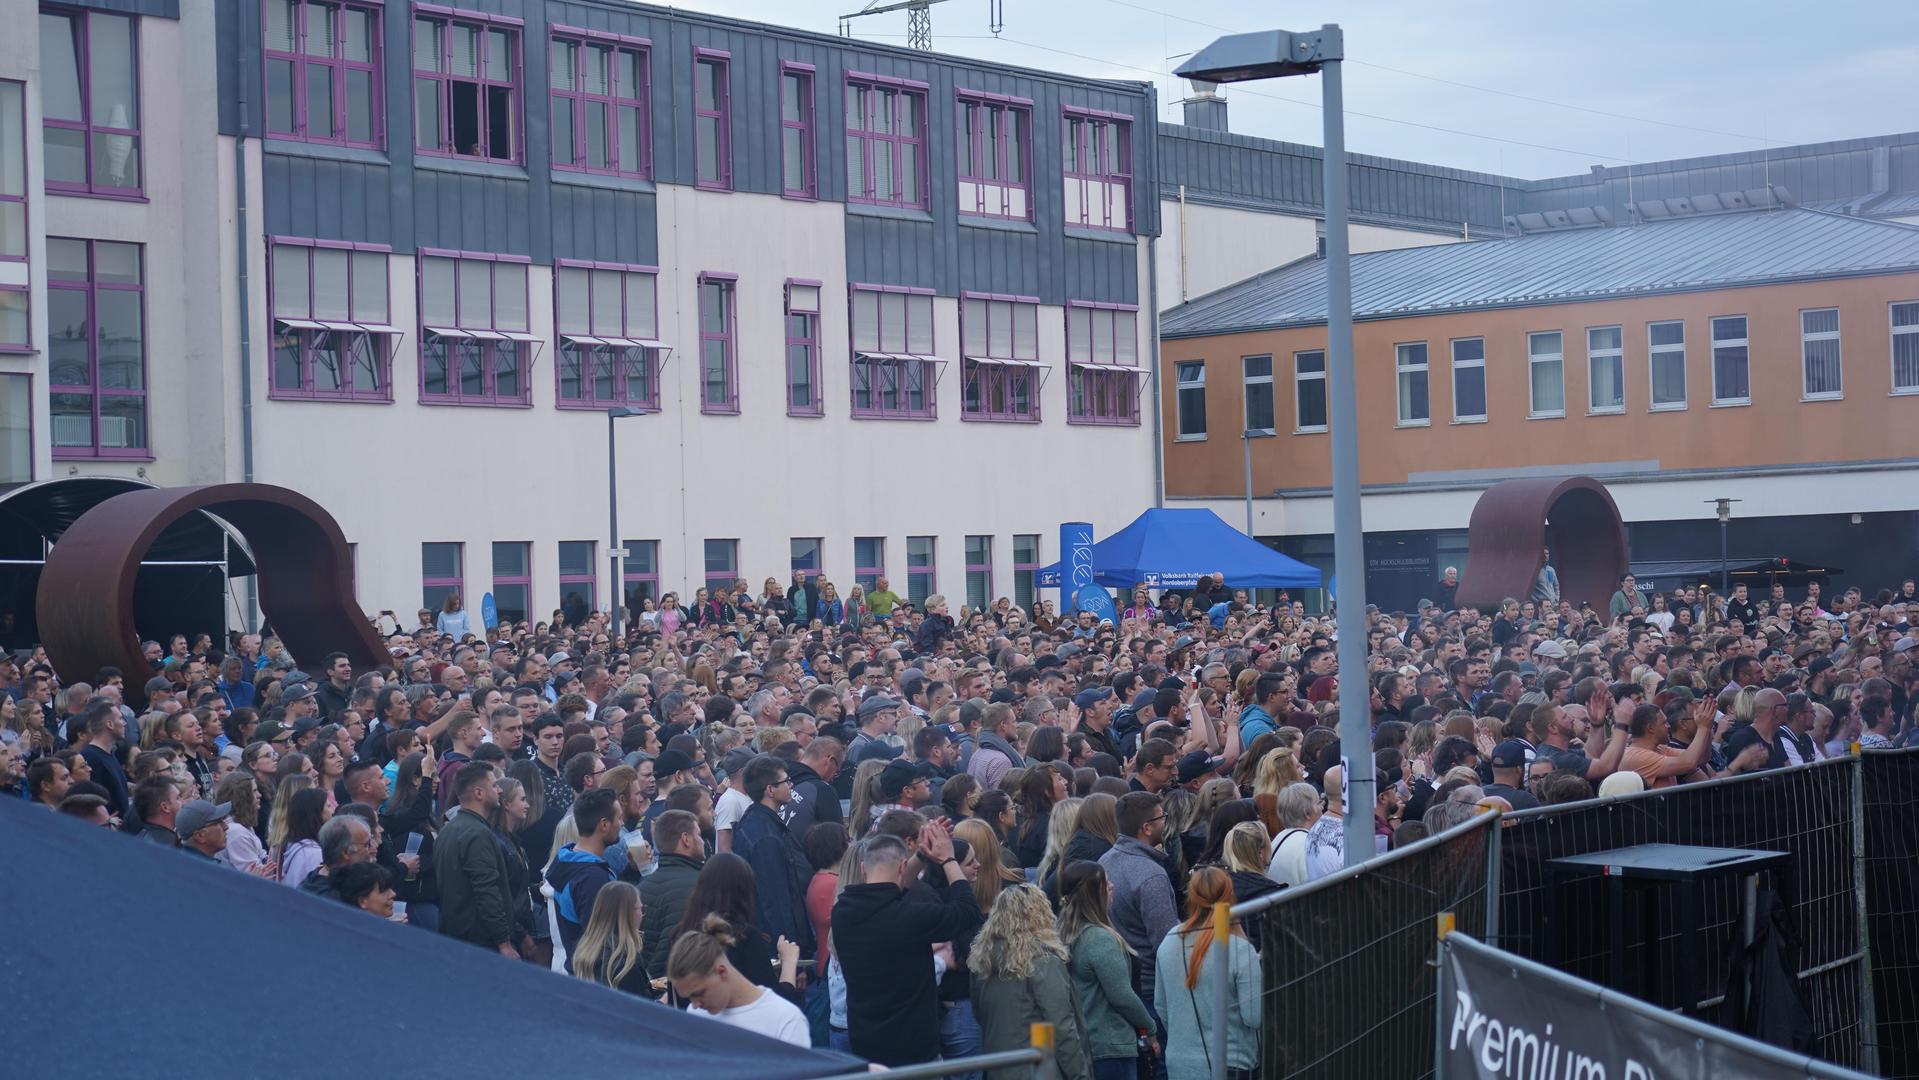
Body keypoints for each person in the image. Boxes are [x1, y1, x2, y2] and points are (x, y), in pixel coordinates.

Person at [833, 826, 984, 1067]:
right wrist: (948, 858)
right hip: (913, 1051)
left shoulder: (842, 911)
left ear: (863, 869)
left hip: (865, 1044)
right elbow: (967, 912)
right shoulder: (909, 918)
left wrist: (922, 855)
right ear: (902, 868)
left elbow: (893, 892)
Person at [970, 883, 1094, 1080]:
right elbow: (1062, 1028)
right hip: (1039, 1070)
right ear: (1040, 914)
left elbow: (980, 1015)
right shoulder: (1043, 961)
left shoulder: (983, 964)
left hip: (999, 1070)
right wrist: (1080, 1076)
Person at [1154, 867, 1260, 1080]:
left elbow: (1161, 1007)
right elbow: (1253, 1016)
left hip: (1180, 1066)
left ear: (1191, 898)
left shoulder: (1169, 941)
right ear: (1231, 896)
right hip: (1231, 1064)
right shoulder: (1239, 949)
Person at [1059, 861, 1158, 1080]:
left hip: (1090, 1044)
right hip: (1111, 1048)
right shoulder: (1101, 939)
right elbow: (1122, 996)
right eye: (1106, 882)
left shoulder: (1070, 934)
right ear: (1093, 893)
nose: (1112, 886)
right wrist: (1150, 1028)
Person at [669, 915, 811, 1046]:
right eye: (689, 997)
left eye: (699, 993)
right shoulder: (696, 1016)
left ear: (722, 972)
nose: (695, 1005)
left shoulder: (786, 1019)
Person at [1098, 792, 1178, 1005]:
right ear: (1147, 828)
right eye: (1162, 818)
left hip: (1122, 981)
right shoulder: (1151, 875)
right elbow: (1166, 941)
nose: (1165, 822)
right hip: (1151, 989)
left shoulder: (1104, 861)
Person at [731, 754, 816, 955]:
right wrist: (791, 956)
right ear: (770, 789)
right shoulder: (765, 836)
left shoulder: (759, 821)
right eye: (786, 781)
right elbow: (776, 902)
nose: (791, 785)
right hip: (777, 949)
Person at [435, 761, 519, 958]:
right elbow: (487, 890)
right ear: (479, 793)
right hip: (480, 943)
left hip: (455, 938)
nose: (499, 790)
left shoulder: (448, 830)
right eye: (494, 785)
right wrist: (504, 942)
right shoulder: (477, 834)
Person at [548, 787, 624, 958]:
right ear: (604, 824)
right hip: (593, 976)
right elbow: (598, 942)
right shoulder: (591, 878)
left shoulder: (569, 862)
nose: (622, 823)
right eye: (619, 818)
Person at [641, 809, 706, 976]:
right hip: (688, 986)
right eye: (698, 835)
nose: (703, 841)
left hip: (650, 989)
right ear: (686, 839)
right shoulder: (703, 886)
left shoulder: (640, 889)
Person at [572, 881, 660, 1000]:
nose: (642, 914)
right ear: (628, 914)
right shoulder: (626, 965)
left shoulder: (586, 952)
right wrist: (663, 1002)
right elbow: (639, 1013)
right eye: (641, 908)